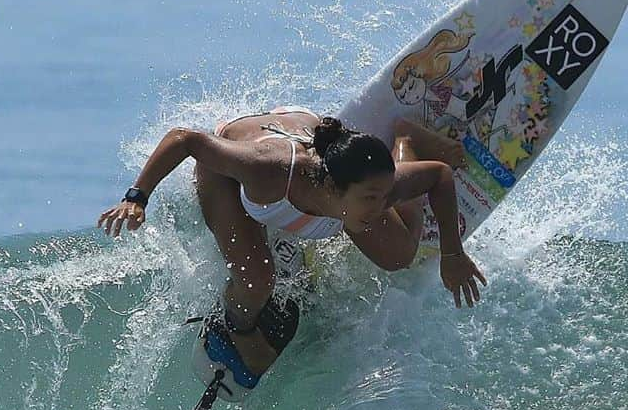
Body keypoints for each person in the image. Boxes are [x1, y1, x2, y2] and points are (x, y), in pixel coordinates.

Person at [97, 106, 487, 377]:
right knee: (255, 281)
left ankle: (407, 137)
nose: (382, 203)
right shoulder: (270, 171)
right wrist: (137, 198)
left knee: (400, 255)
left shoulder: (366, 192)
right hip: (234, 168)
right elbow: (186, 140)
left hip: (309, 133)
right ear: (334, 188)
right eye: (371, 197)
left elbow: (437, 175)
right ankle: (238, 328)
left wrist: (453, 253)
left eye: (385, 193)